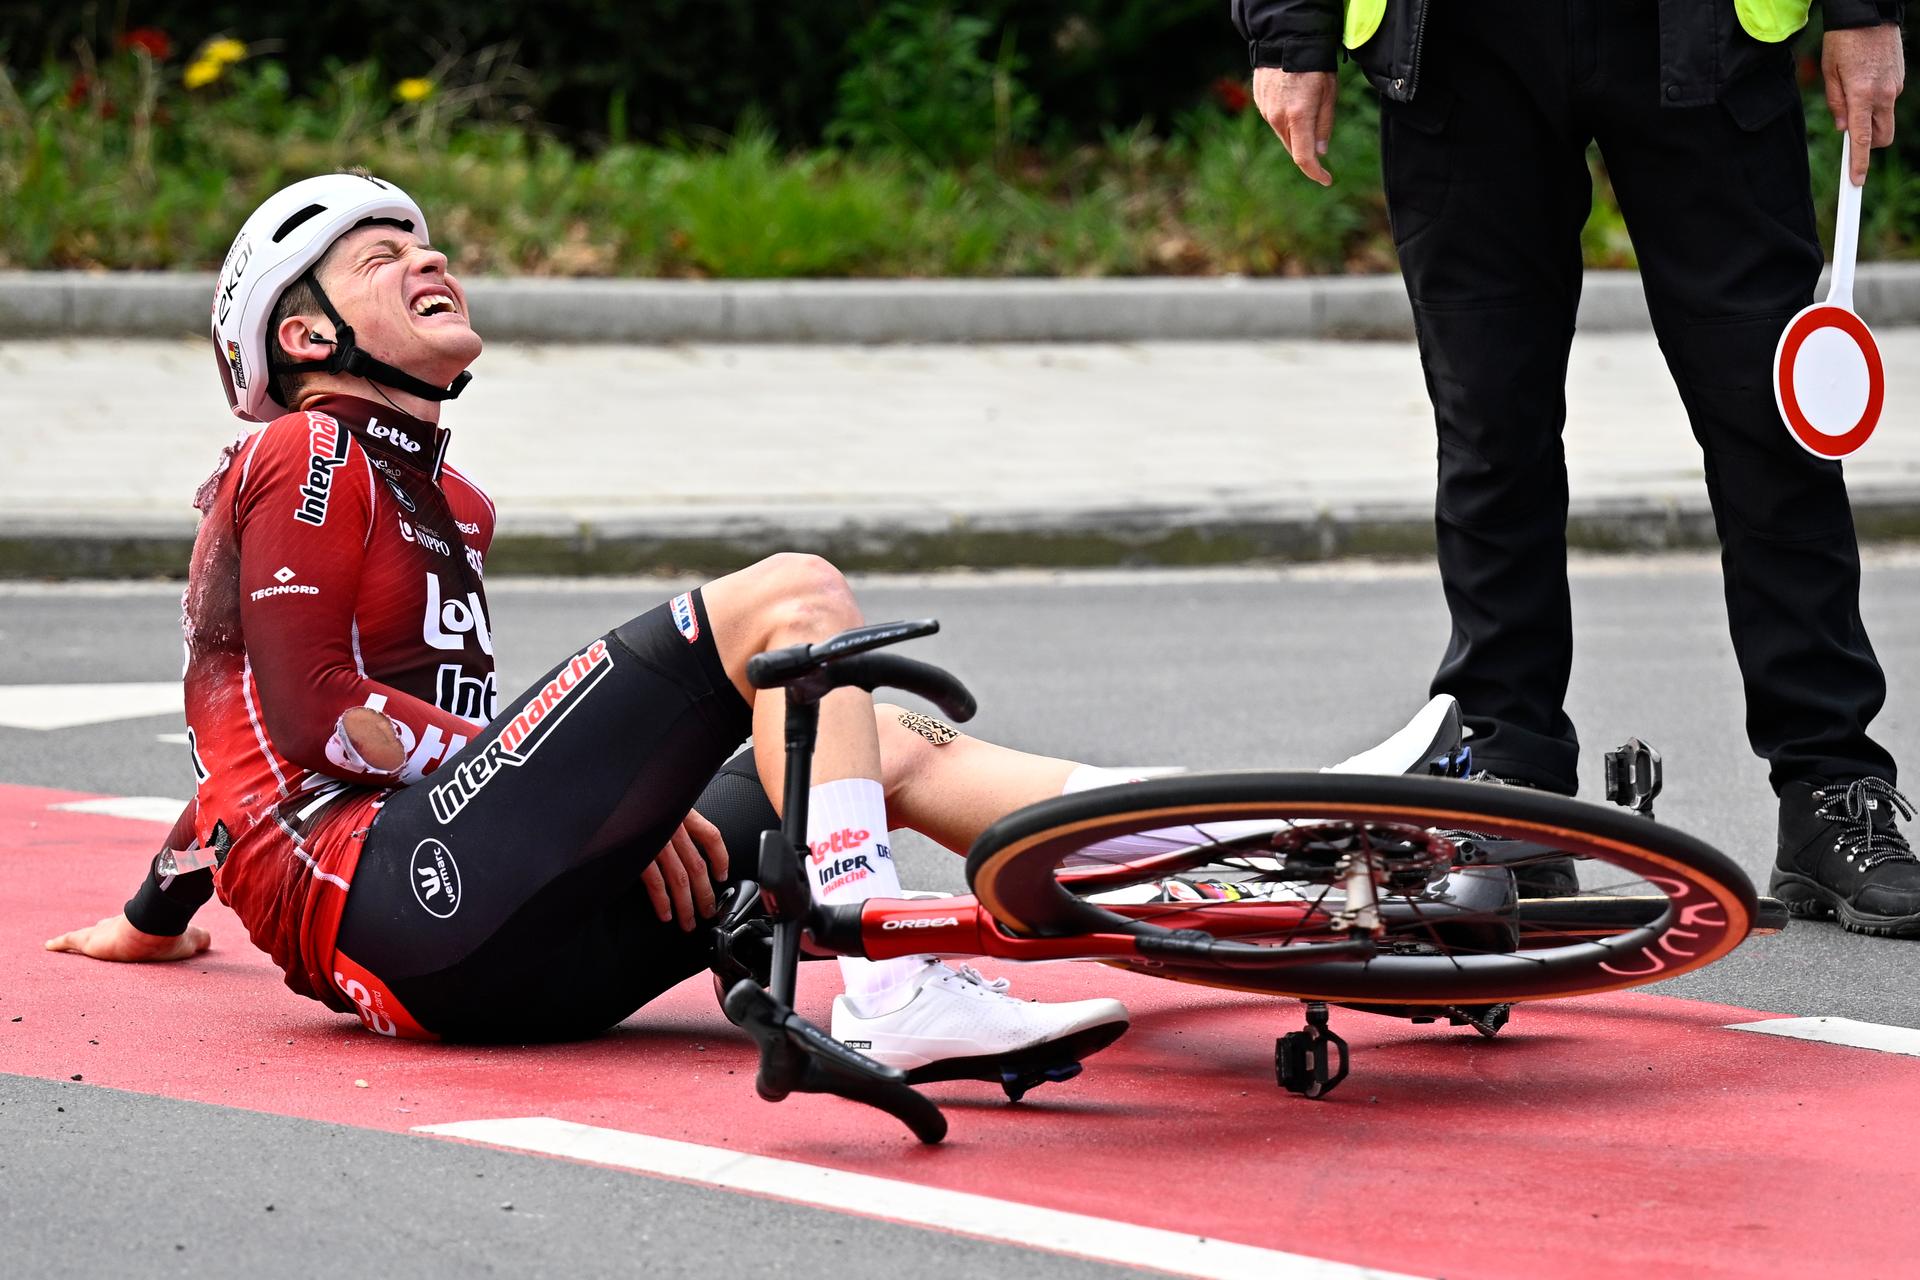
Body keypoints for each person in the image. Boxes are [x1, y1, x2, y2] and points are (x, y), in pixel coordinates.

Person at [43, 171, 1136, 1081]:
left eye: (425, 244)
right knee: (790, 599)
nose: (429, 258)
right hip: (401, 908)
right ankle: (892, 991)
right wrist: (596, 793)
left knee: (855, 734)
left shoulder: (449, 500)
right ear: (306, 334)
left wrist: (151, 914)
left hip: (519, 960)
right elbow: (313, 715)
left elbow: (237, 764)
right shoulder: (305, 450)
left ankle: (1193, 848)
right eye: (382, 257)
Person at [1233, 0, 1917, 935]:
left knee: (1772, 427)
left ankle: (1830, 790)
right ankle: (1511, 783)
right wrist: (1287, 34)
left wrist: (1865, 13)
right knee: (1490, 429)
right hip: (1460, 45)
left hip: (1700, 34)